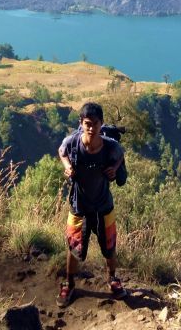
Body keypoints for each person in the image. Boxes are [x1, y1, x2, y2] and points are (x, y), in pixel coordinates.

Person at [56, 102, 126, 307]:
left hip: (104, 206)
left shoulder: (110, 146)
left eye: (95, 124)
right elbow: (61, 151)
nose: (91, 128)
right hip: (79, 206)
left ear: (101, 124)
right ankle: (69, 283)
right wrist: (68, 166)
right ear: (81, 123)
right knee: (73, 246)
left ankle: (113, 278)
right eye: (87, 123)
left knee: (110, 246)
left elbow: (120, 154)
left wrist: (114, 167)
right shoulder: (72, 143)